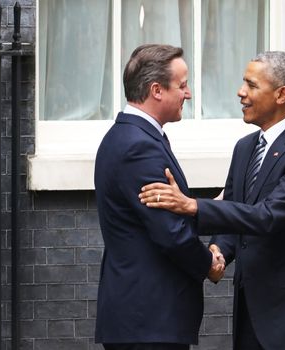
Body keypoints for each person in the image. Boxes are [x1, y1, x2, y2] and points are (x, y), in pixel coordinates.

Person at [139, 51, 285, 350]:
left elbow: (267, 216)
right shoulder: (245, 148)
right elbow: (235, 214)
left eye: (251, 85)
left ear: (282, 94)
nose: (240, 92)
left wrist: (193, 205)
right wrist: (217, 252)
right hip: (251, 311)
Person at [94, 44, 224, 350]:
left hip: (142, 318)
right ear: (156, 90)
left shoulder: (130, 136)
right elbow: (170, 233)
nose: (188, 94)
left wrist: (213, 209)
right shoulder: (139, 147)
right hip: (148, 320)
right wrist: (209, 263)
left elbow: (169, 215)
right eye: (182, 85)